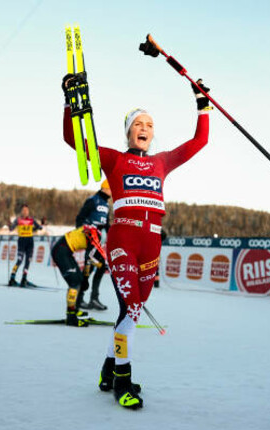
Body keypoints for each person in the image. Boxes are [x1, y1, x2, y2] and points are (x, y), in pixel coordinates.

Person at [62, 75, 211, 409]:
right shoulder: (116, 159)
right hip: (123, 241)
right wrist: (70, 101)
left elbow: (199, 141)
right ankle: (122, 383)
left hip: (151, 244)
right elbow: (74, 139)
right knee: (130, 308)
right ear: (128, 131)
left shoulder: (162, 163)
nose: (144, 128)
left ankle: (108, 370)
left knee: (133, 313)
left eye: (149, 124)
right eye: (138, 123)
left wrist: (202, 103)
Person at [51, 224, 106, 327]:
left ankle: (74, 309)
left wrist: (85, 277)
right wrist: (89, 275)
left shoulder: (95, 232)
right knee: (75, 282)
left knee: (79, 280)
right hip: (61, 251)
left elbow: (94, 258)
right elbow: (89, 259)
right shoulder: (96, 236)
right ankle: (71, 316)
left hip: (65, 251)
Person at [76, 180, 112, 311]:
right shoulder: (93, 200)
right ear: (104, 188)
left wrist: (111, 235)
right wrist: (82, 235)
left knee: (101, 267)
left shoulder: (106, 204)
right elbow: (80, 218)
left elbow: (106, 224)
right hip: (90, 240)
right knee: (88, 269)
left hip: (99, 243)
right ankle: (79, 299)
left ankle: (94, 298)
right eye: (110, 189)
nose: (112, 192)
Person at [7, 204, 43, 287]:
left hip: (30, 241)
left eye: (26, 210)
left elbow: (39, 228)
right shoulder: (18, 220)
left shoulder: (31, 219)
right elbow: (11, 229)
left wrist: (42, 223)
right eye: (23, 210)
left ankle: (24, 278)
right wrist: (9, 224)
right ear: (21, 211)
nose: (25, 212)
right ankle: (12, 278)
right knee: (19, 260)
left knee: (28, 261)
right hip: (22, 241)